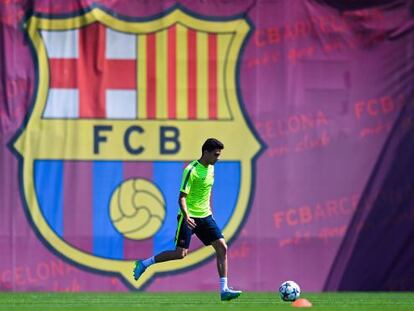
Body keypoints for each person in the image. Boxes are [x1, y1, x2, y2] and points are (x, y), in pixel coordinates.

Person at [133, 138, 242, 301]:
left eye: (219, 154)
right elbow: (182, 198)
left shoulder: (211, 168)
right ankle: (144, 264)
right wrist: (187, 215)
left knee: (222, 247)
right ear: (206, 152)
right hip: (188, 216)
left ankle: (224, 289)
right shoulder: (191, 170)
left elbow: (204, 194)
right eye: (216, 154)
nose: (218, 158)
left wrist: (207, 213)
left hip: (205, 216)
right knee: (180, 254)